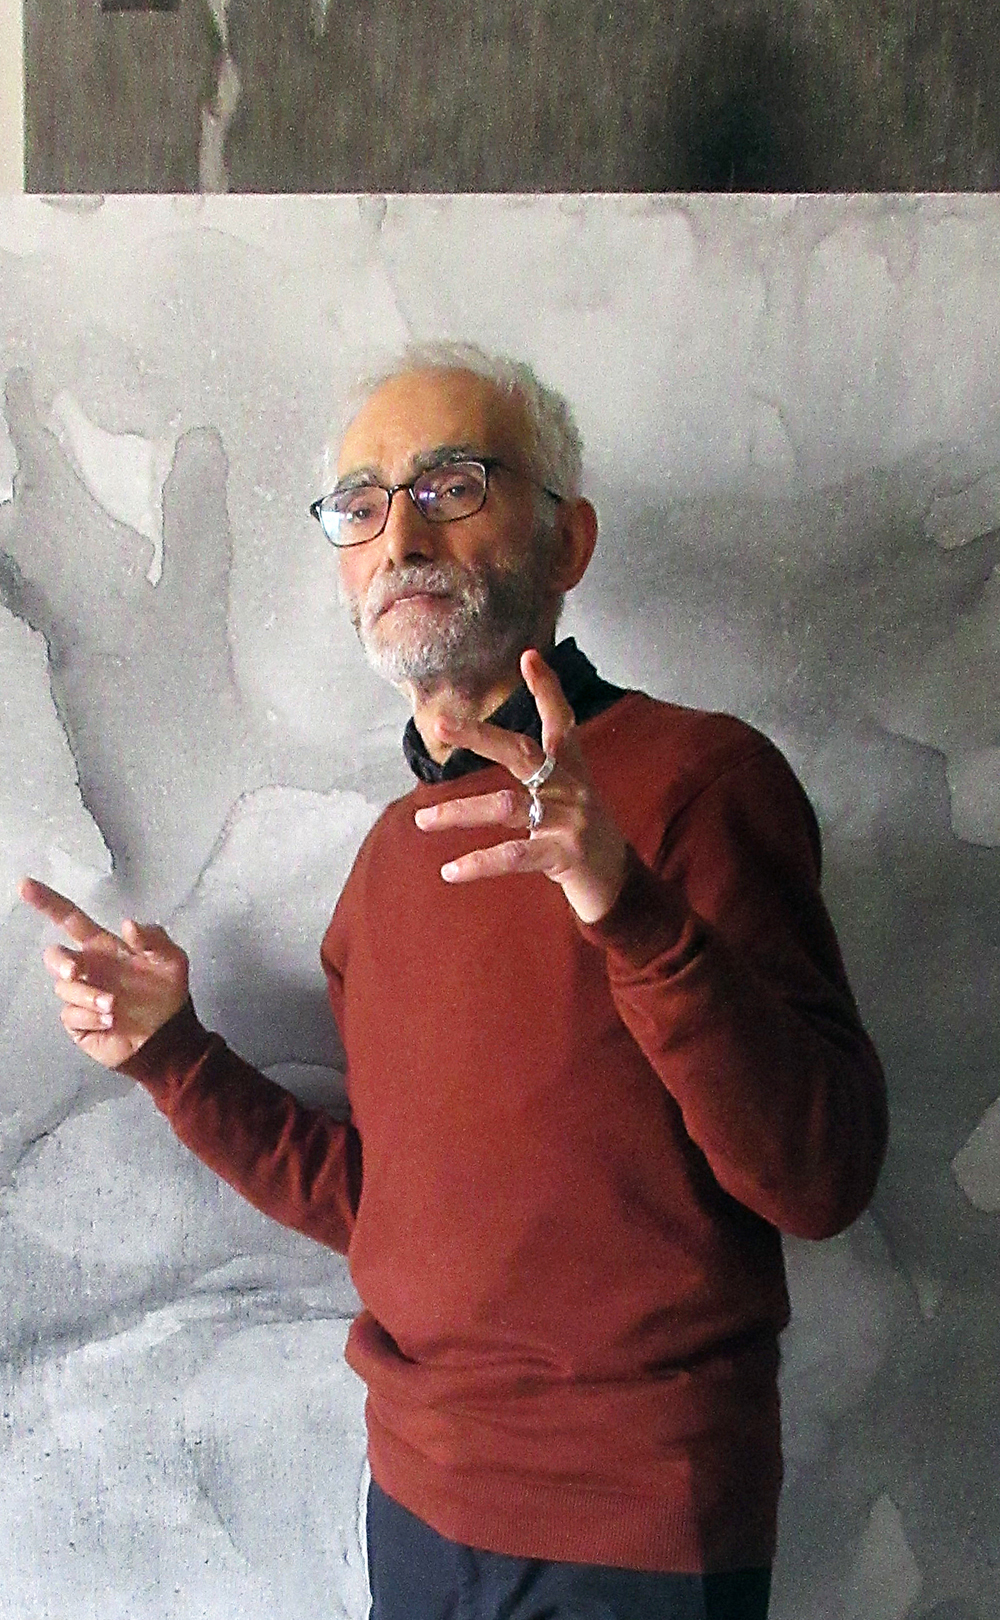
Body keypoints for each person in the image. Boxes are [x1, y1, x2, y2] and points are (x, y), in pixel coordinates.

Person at [21, 341, 888, 1620]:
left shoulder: (701, 782)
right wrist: (172, 1058)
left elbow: (821, 1180)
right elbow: (382, 1208)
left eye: (452, 485)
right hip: (418, 1506)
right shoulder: (387, 861)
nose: (401, 536)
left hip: (638, 1528)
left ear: (566, 539)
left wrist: (629, 911)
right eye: (361, 504)